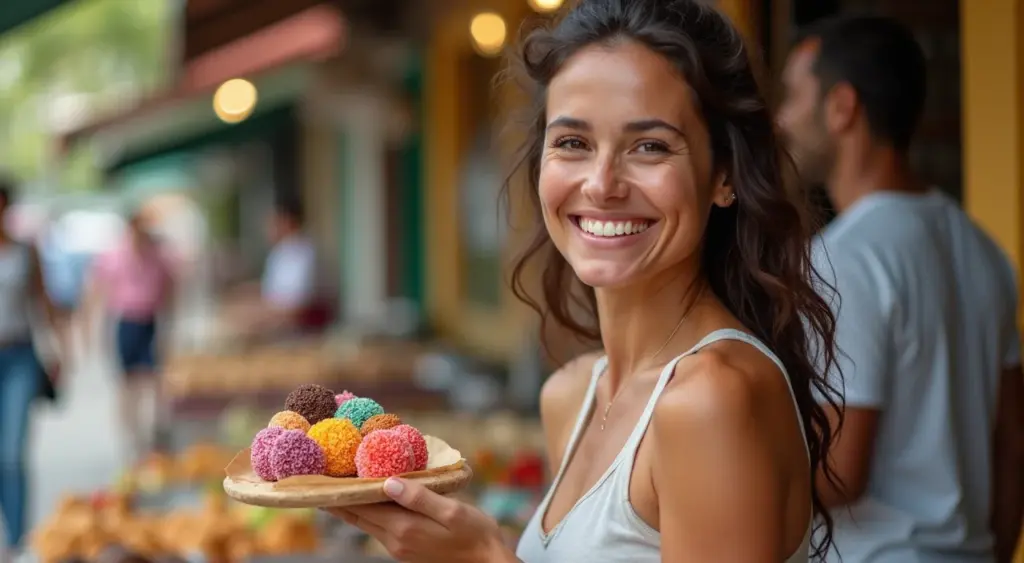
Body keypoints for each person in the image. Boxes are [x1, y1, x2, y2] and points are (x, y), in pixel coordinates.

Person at [327, 0, 844, 561]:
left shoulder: (711, 399)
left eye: (649, 146)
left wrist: (483, 557)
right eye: (572, 143)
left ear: (723, 175)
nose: (602, 184)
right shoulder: (571, 395)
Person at [777, 15, 1024, 563]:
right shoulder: (983, 252)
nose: (783, 120)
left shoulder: (844, 258)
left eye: (793, 97)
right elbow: (1014, 446)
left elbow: (841, 474)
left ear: (841, 106)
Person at [0, 181, 63, 552]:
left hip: (21, 354)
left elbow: (44, 302)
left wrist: (58, 352)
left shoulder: (25, 252)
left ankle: (18, 538)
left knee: (11, 451)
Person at [84, 209, 175, 462]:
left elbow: (170, 289)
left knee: (152, 380)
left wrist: (169, 325)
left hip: (149, 321)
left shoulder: (158, 257)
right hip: (126, 321)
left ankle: (153, 434)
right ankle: (132, 437)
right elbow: (96, 291)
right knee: (128, 384)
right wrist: (90, 330)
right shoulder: (113, 256)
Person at [229, 200, 322, 337]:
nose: (268, 228)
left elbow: (298, 304)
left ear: (287, 221)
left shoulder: (305, 252)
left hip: (298, 318)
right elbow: (273, 289)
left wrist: (260, 313)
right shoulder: (280, 251)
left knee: (241, 322)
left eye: (273, 222)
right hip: (277, 309)